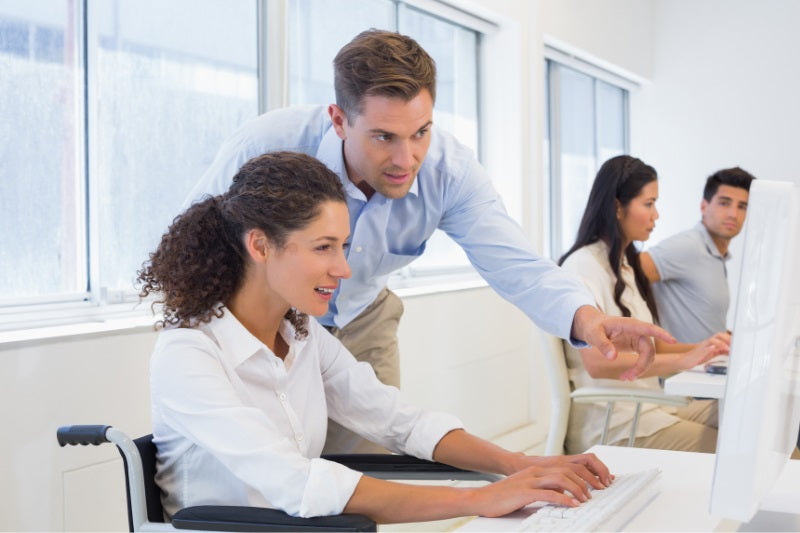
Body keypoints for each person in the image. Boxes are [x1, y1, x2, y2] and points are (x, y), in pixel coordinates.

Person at [184, 29, 674, 453]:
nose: (406, 158)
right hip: (262, 322)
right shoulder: (269, 144)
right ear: (339, 120)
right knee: (274, 474)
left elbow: (516, 263)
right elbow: (194, 244)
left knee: (368, 471)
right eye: (383, 137)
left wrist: (589, 320)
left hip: (361, 317)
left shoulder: (449, 171)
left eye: (420, 132)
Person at [137, 151, 616, 524]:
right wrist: (481, 499)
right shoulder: (189, 354)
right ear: (260, 245)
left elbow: (398, 420)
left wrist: (519, 465)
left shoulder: (302, 338)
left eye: (342, 247)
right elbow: (298, 484)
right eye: (324, 247)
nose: (343, 269)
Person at [558, 155, 730, 455]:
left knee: (748, 423)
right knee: (740, 451)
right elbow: (597, 363)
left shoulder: (625, 266)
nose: (656, 215)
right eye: (648, 204)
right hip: (618, 424)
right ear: (616, 207)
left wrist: (706, 348)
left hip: (651, 409)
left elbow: (652, 348)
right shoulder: (583, 266)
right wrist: (684, 361)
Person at [639, 167, 755, 343]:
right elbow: (625, 275)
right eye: (724, 203)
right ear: (704, 206)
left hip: (708, 367)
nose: (733, 214)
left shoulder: (716, 254)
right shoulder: (688, 245)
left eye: (742, 206)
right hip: (681, 369)